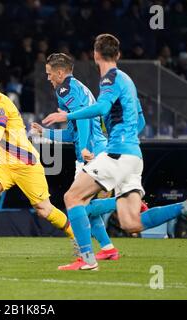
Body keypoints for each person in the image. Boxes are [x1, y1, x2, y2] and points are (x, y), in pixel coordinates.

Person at [42, 34, 187, 271]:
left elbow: (101, 108)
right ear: (119, 55)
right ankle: (186, 207)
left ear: (95, 54)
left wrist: (66, 116)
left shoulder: (109, 79)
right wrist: (125, 139)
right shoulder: (127, 80)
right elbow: (140, 120)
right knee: (131, 223)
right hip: (134, 156)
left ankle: (87, 259)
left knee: (72, 198)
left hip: (118, 153)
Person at [31, 53, 148, 261]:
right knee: (85, 206)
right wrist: (45, 133)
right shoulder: (77, 88)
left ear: (60, 73)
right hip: (94, 148)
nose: (48, 78)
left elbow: (83, 123)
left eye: (49, 74)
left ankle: (126, 203)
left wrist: (84, 148)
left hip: (92, 151)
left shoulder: (65, 88)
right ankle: (108, 248)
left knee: (78, 203)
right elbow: (72, 133)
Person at [0, 72, 75, 253]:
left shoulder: (0, 105)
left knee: (43, 209)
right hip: (5, 163)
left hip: (26, 164)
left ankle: (77, 237)